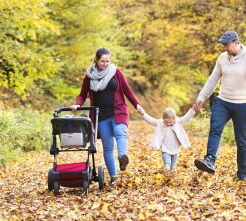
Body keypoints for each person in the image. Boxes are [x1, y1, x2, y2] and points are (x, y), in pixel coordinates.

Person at [193, 31, 246, 181]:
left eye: (227, 44)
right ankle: (210, 160)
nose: (225, 48)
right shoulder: (222, 59)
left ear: (236, 42)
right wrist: (201, 97)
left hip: (243, 104)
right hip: (223, 101)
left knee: (241, 140)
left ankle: (241, 174)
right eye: (223, 45)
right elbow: (213, 79)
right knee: (215, 128)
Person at [71, 47, 142, 186]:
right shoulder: (90, 75)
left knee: (120, 133)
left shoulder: (116, 72)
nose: (105, 64)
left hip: (118, 111)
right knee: (108, 146)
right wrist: (77, 105)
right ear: (96, 60)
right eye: (102, 61)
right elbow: (82, 94)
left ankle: (122, 157)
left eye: (107, 61)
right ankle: (114, 177)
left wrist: (137, 105)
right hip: (101, 115)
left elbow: (127, 90)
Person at [138, 106, 195, 172]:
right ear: (163, 119)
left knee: (173, 165)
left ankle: (172, 178)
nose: (168, 124)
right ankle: (166, 175)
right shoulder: (160, 123)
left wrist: (192, 110)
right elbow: (151, 120)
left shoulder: (178, 122)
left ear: (174, 119)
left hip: (175, 148)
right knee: (167, 163)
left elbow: (186, 118)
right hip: (165, 148)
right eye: (166, 122)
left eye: (170, 122)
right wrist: (143, 114)